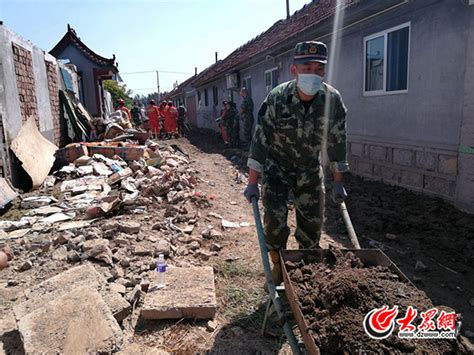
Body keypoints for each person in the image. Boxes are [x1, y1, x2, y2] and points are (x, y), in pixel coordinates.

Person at [243, 41, 348, 286]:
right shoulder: (278, 98)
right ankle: (279, 268)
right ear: (294, 70)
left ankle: (306, 275)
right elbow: (260, 141)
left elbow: (338, 141)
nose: (312, 73)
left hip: (309, 169)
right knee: (274, 225)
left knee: (312, 227)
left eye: (318, 69)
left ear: (323, 71)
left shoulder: (332, 100)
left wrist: (338, 181)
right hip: (277, 168)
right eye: (306, 67)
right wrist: (252, 182)